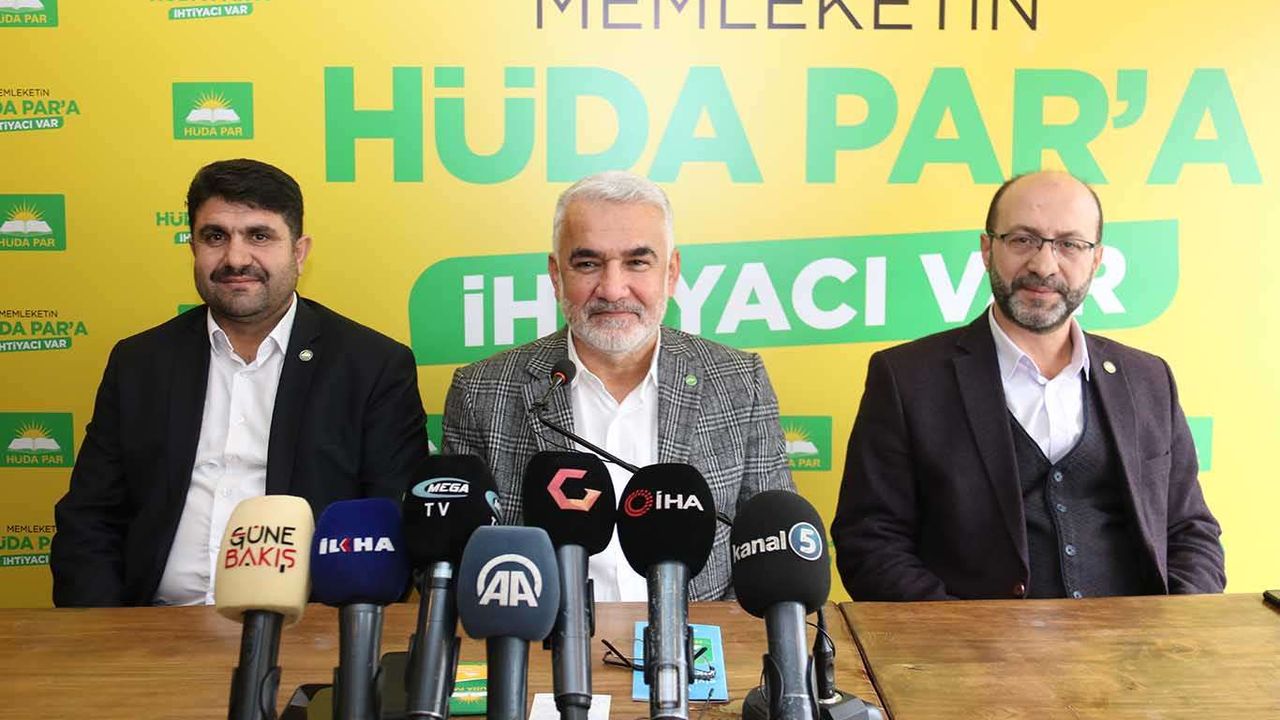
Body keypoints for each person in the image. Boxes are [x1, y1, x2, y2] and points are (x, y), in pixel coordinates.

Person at [51, 158, 430, 607]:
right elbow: (90, 519)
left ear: (299, 252)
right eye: (215, 237)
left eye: (259, 236)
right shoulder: (140, 363)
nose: (235, 258)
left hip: (307, 627)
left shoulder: (372, 366)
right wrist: (106, 632)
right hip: (153, 623)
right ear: (193, 247)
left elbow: (390, 527)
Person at [832, 171, 1225, 601]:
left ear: (1096, 260)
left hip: (1135, 641)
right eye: (1023, 240)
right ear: (987, 250)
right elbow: (870, 542)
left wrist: (1176, 625)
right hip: (968, 641)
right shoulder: (906, 378)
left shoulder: (1148, 379)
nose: (1044, 265)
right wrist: (959, 633)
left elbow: (1190, 531)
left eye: (1070, 244)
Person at [443, 170, 793, 601]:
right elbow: (454, 559)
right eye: (587, 264)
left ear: (671, 272)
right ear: (556, 275)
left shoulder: (741, 381)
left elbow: (773, 553)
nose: (611, 289)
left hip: (698, 638)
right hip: (545, 639)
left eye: (637, 262)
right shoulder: (480, 391)